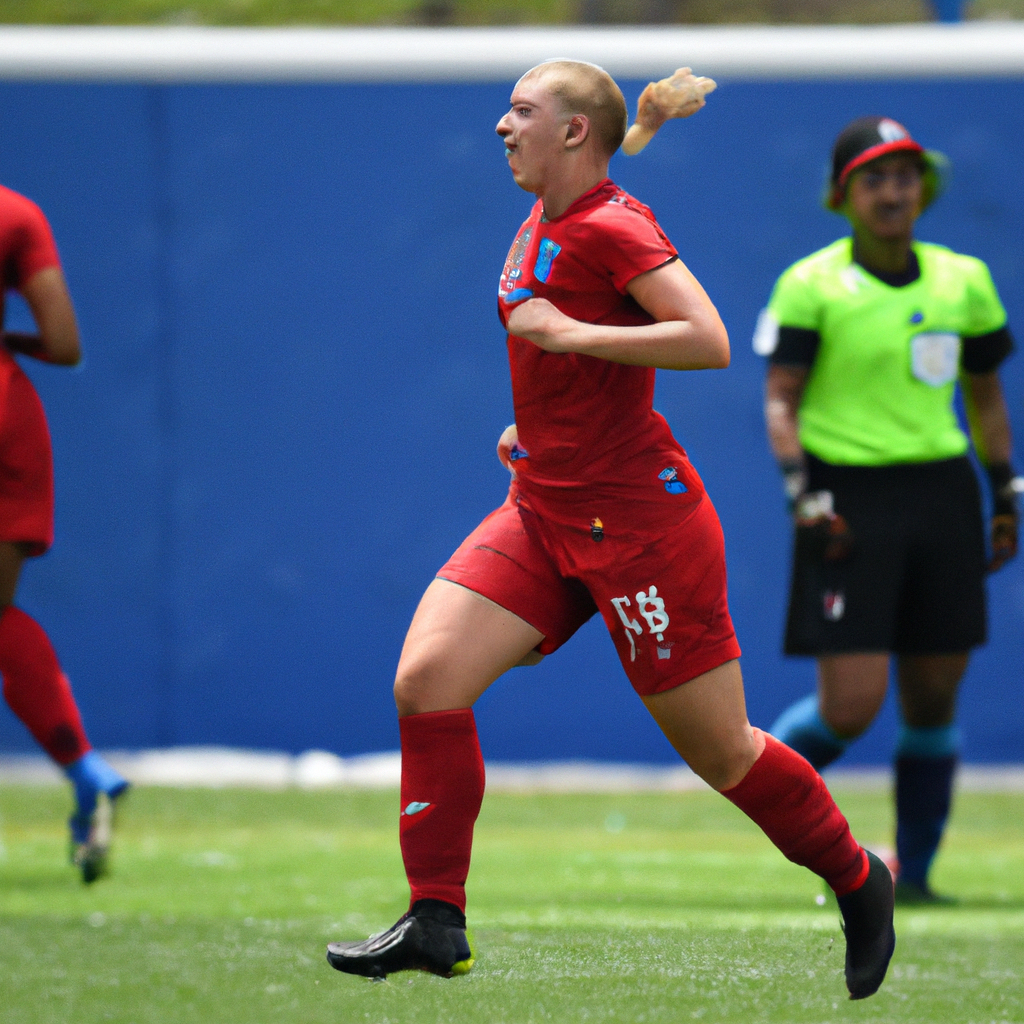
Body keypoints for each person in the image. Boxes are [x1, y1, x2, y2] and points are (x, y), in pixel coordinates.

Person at [326, 62, 895, 999]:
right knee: (427, 681)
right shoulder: (558, 203)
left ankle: (856, 876)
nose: (501, 126)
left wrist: (575, 338)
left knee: (724, 754)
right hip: (544, 505)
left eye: (521, 111)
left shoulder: (609, 225)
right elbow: (598, 190)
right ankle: (436, 918)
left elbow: (707, 337)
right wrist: (646, 124)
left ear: (571, 133)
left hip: (638, 527)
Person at [756, 116, 1019, 904]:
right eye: (874, 177)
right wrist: (803, 494)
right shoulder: (810, 284)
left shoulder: (962, 280)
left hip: (942, 493)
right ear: (843, 196)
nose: (893, 191)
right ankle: (751, 783)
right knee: (851, 706)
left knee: (935, 690)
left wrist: (1004, 488)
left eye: (906, 175)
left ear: (924, 189)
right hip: (848, 499)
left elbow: (985, 393)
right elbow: (781, 399)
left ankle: (916, 873)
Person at [1, 181, 129, 883]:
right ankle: (85, 767)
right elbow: (64, 343)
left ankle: (85, 769)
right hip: (8, 416)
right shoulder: (17, 213)